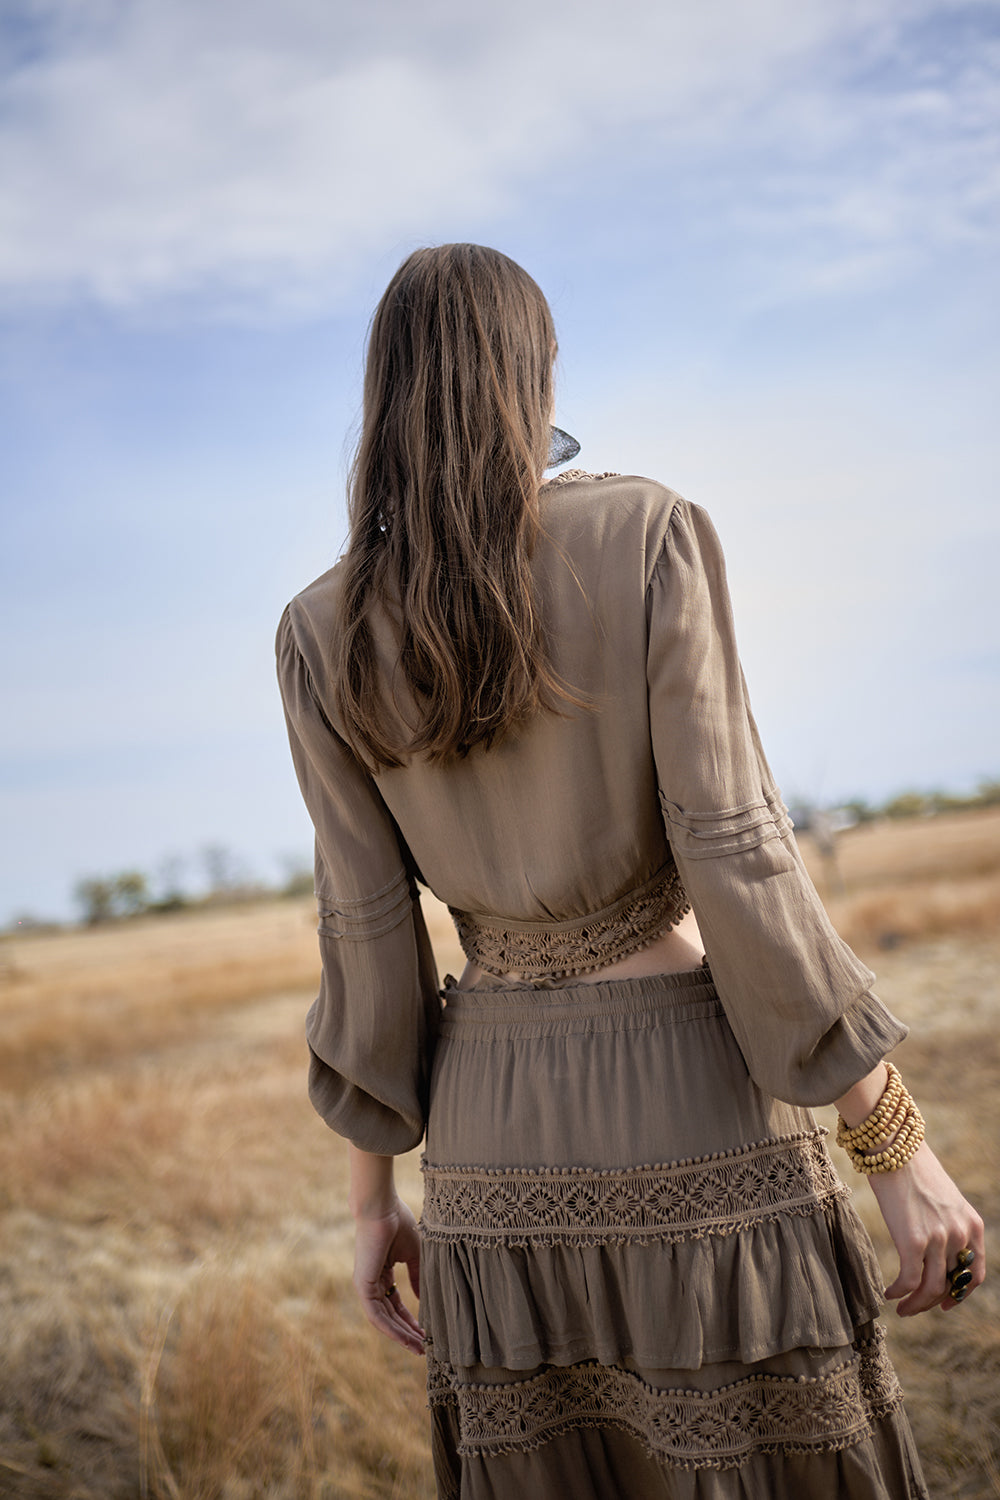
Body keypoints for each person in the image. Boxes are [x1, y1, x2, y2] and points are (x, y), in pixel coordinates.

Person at [276, 243, 984, 1499]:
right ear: (533, 373)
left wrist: (368, 1203)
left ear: (386, 397)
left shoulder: (319, 630)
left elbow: (364, 931)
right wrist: (897, 1150)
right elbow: (738, 859)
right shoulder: (645, 530)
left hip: (488, 1155)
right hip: (687, 1101)